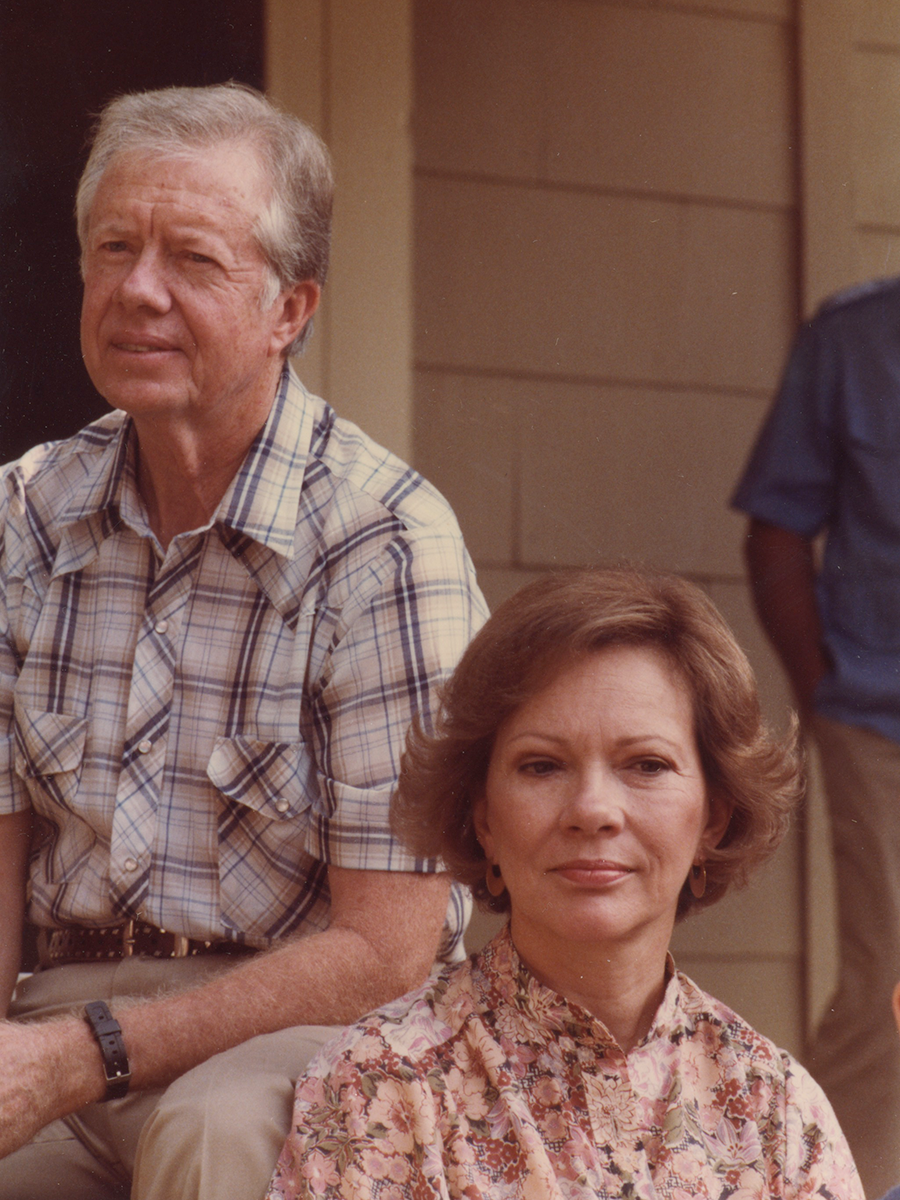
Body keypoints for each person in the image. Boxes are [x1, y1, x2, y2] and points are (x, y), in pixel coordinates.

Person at [0, 83, 486, 1200]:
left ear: (290, 308)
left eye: (194, 260)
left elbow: (386, 952)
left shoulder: (383, 542)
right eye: (113, 247)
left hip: (298, 1030)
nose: (138, 291)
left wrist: (93, 1053)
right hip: (59, 1014)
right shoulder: (22, 519)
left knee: (216, 1137)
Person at [267, 567, 863, 1200]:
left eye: (647, 765)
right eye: (543, 765)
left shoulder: (777, 1108)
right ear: (484, 818)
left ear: (713, 819)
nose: (592, 808)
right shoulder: (382, 1083)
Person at [731, 276, 900, 1196]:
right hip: (880, 718)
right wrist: (823, 694)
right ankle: (829, 1184)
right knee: (895, 982)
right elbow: (777, 533)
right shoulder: (853, 338)